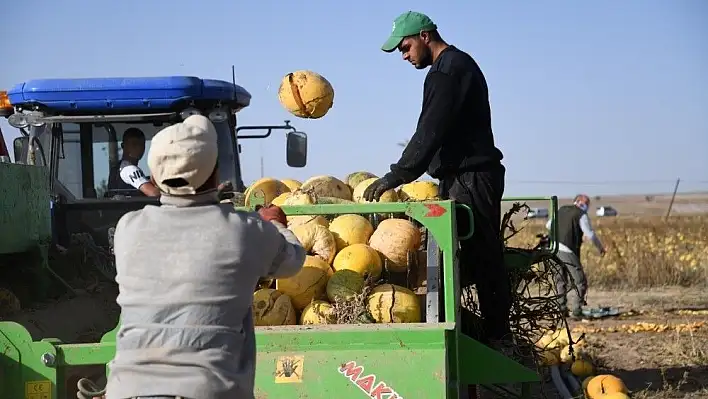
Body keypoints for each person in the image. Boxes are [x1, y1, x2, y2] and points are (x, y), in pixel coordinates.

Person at [103, 114, 306, 399]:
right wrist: (275, 224)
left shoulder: (128, 228)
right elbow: (294, 261)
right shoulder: (243, 231)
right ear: (214, 173)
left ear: (155, 175)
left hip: (127, 390)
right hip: (207, 390)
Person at [364, 11, 512, 347]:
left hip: (471, 178)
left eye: (405, 47)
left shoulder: (447, 72)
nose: (404, 55)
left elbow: (428, 131)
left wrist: (396, 175)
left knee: (481, 256)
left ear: (424, 36)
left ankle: (496, 339)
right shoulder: (453, 67)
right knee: (463, 260)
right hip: (463, 177)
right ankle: (478, 333)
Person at [546, 194, 606, 319]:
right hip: (567, 249)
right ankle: (576, 310)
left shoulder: (561, 209)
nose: (587, 206)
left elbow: (548, 225)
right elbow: (590, 234)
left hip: (553, 248)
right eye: (586, 203)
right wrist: (600, 248)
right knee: (580, 280)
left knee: (560, 280)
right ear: (580, 202)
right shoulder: (581, 214)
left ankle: (561, 309)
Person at [108, 127, 161, 197]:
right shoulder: (129, 169)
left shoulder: (118, 168)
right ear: (123, 146)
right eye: (134, 144)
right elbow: (154, 193)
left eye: (142, 144)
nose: (139, 148)